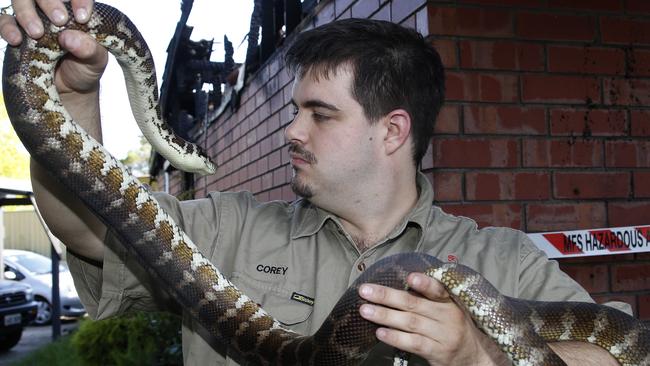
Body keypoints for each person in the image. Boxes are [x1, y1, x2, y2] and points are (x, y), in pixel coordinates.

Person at [0, 1, 630, 365]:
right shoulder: (232, 230)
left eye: (320, 115)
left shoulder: (506, 262)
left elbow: (625, 351)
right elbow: (87, 226)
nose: (292, 133)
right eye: (293, 111)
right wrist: (70, 99)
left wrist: (479, 356)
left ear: (392, 131)